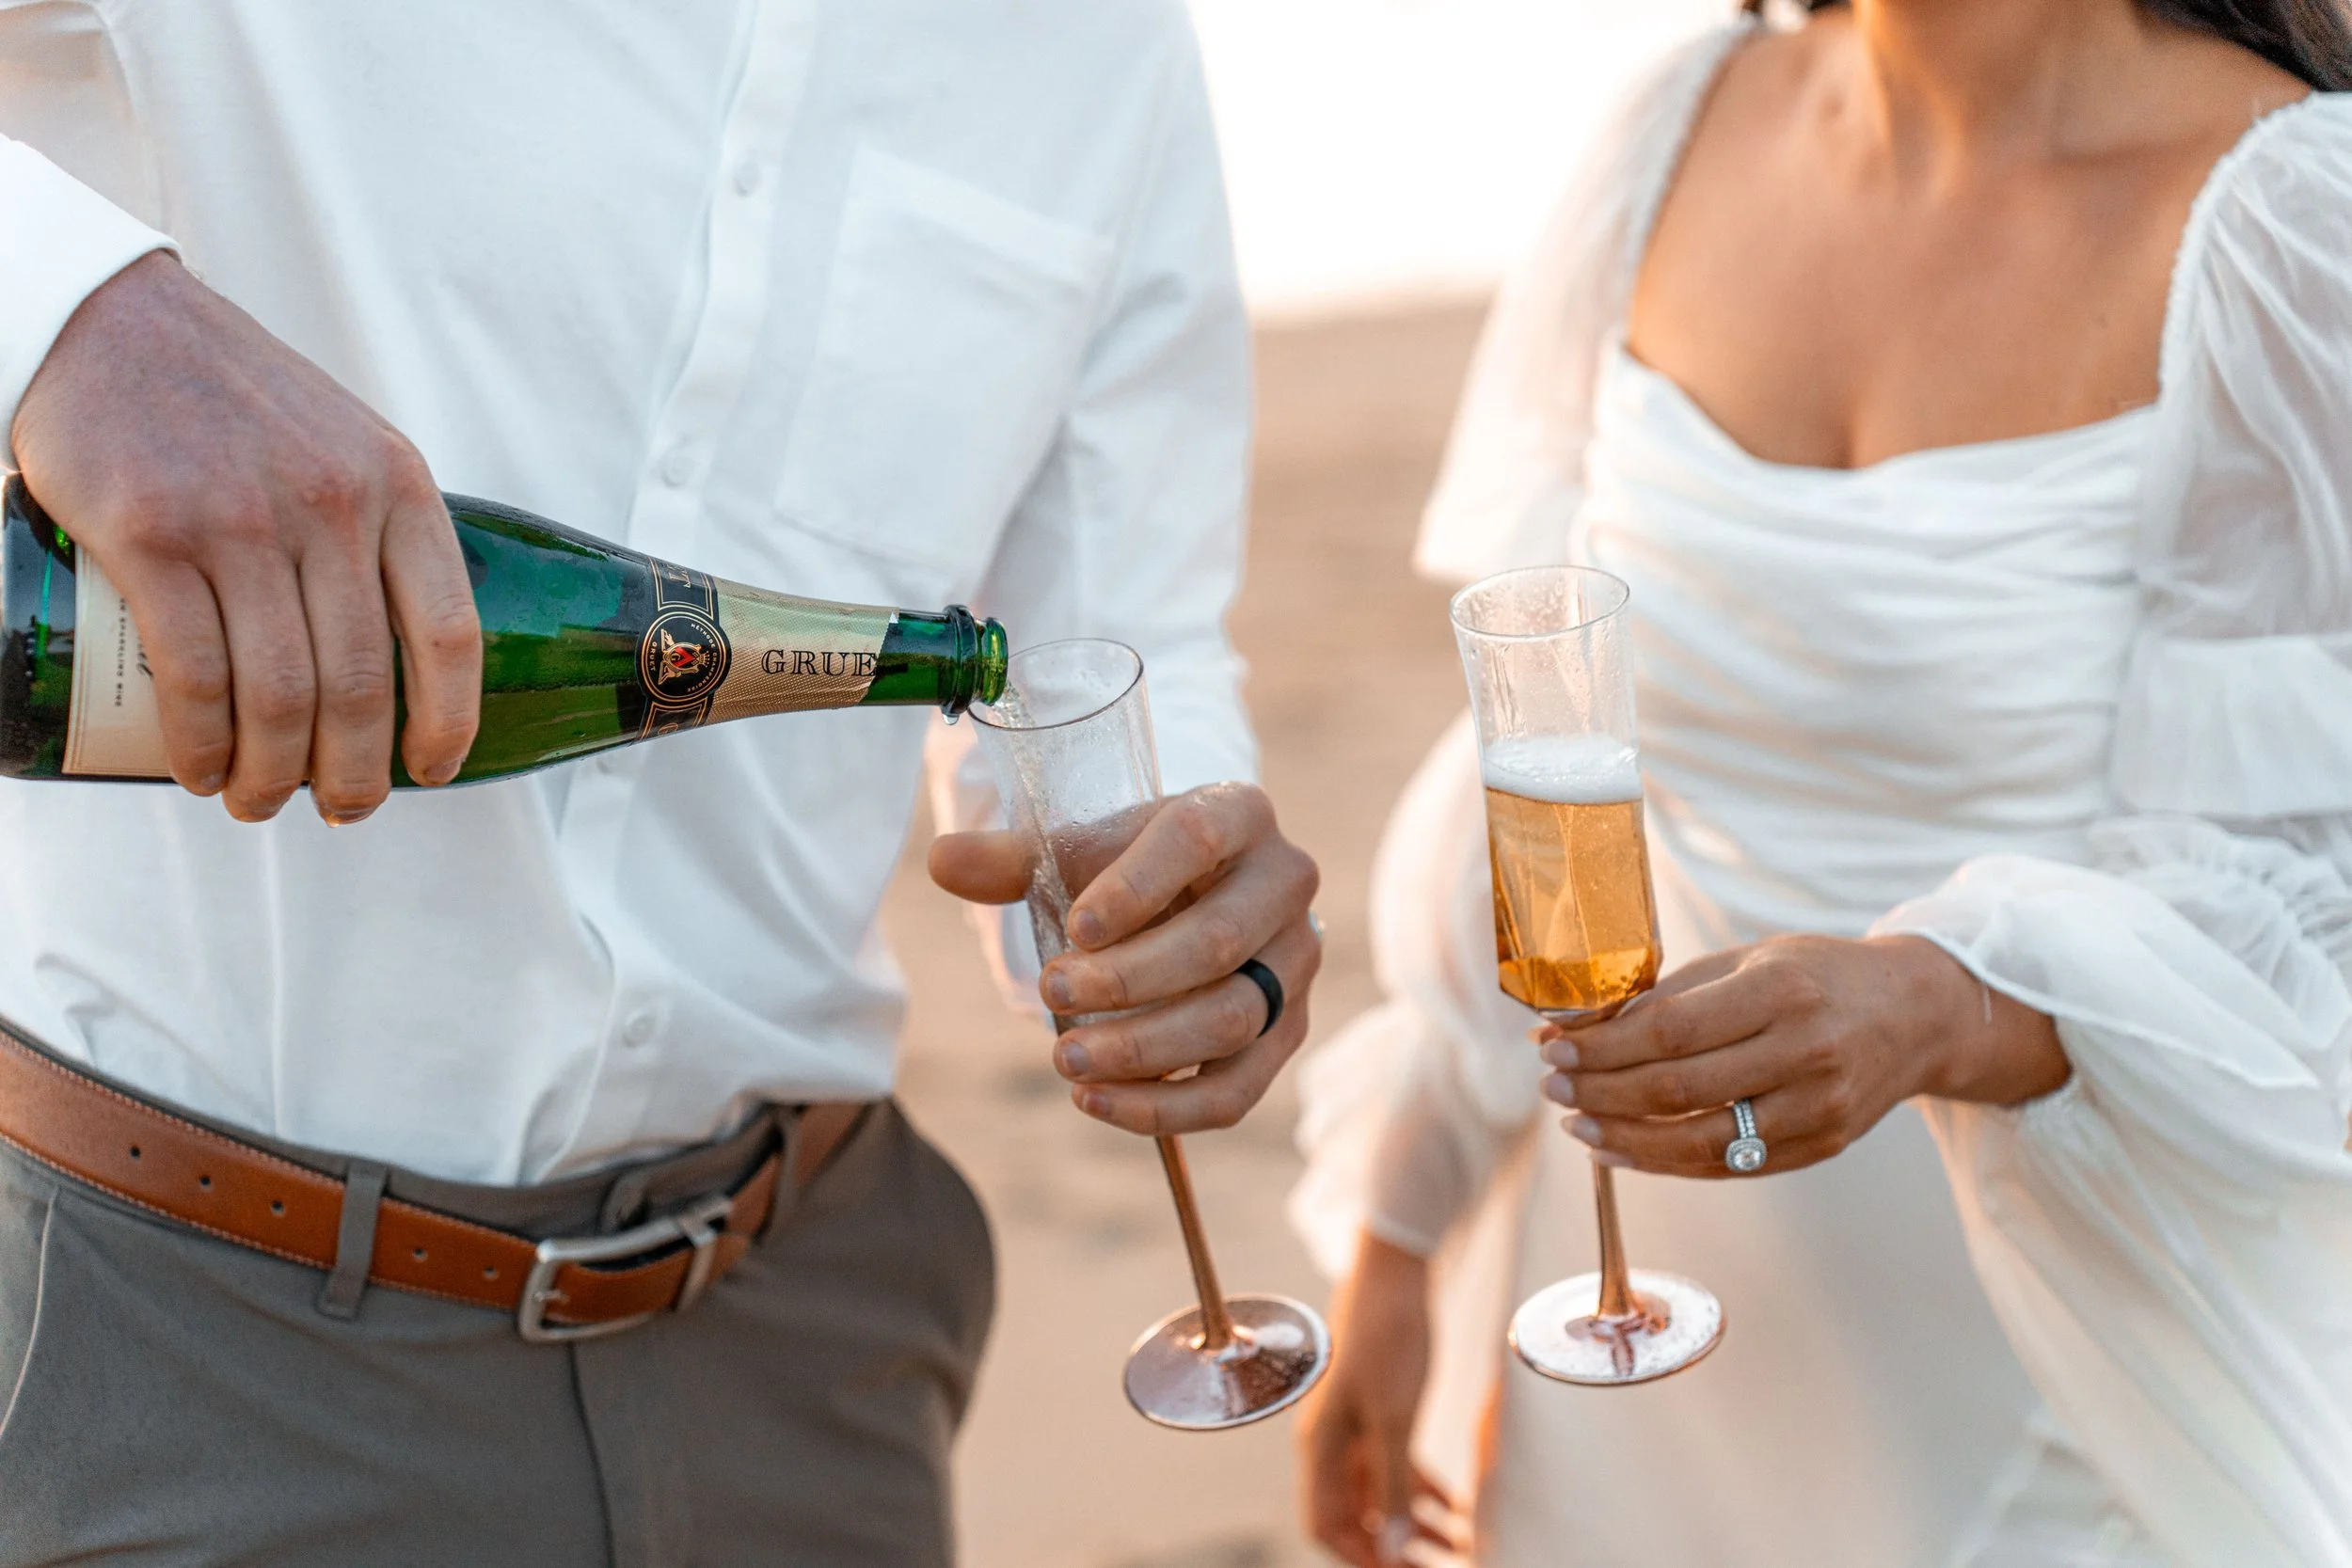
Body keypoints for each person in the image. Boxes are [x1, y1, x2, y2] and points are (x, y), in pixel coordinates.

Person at [0, 4, 1322, 1564]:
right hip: (186, 1340)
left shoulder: (1105, 56)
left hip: (811, 1348)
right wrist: (68, 310)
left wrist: (1183, 911)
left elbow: (1111, 650)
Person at [1292, 1, 2352, 1563]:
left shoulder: (2282, 221)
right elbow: (1543, 758)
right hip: (1627, 1318)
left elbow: (2303, 911)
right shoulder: (1675, 129)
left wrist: (1938, 1004)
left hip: (2050, 1338)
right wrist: (1397, 1232)